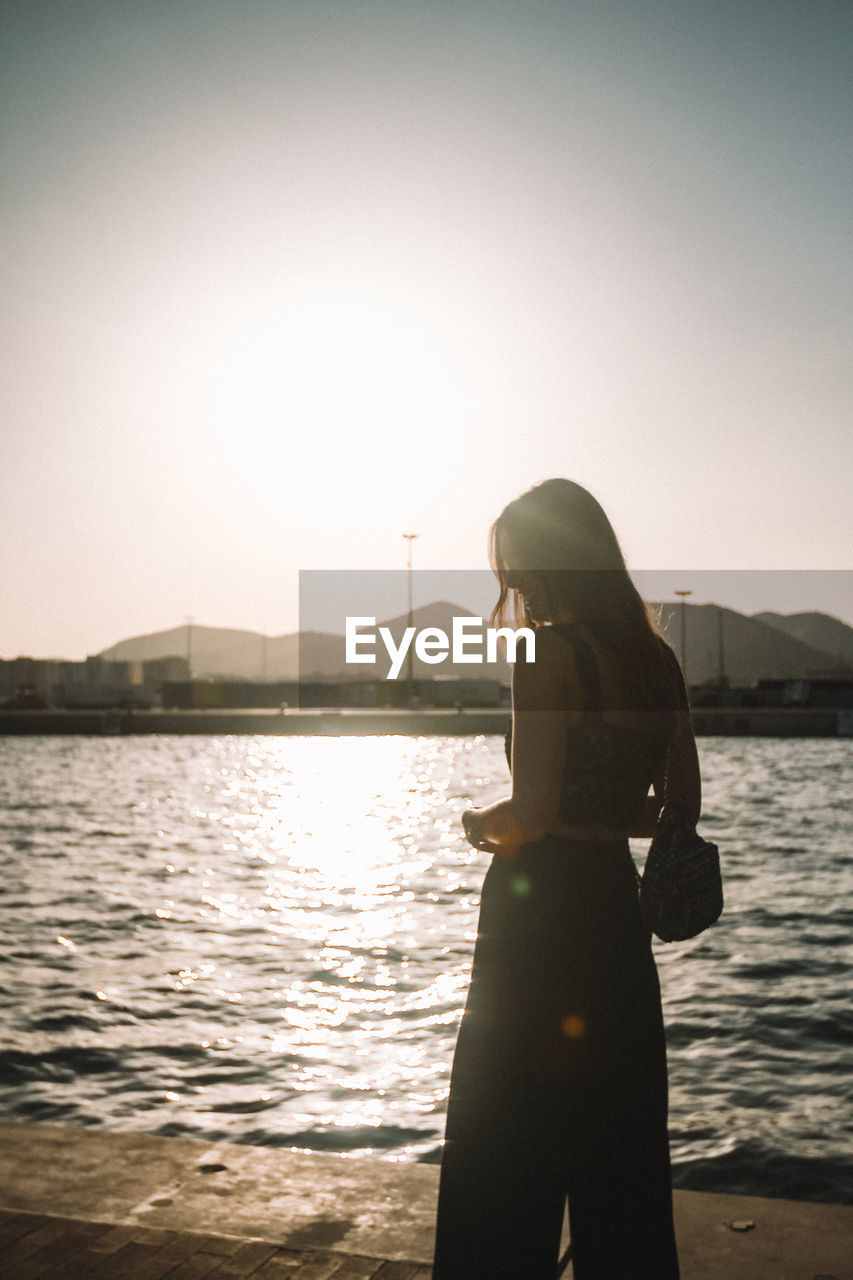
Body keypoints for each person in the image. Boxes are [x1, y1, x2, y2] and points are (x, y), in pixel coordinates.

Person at [431, 478, 700, 1280]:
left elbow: (533, 814)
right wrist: (605, 813)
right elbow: (677, 805)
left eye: (519, 569)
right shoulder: (656, 661)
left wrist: (477, 824)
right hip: (613, 917)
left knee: (503, 1137)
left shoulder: (545, 654)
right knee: (617, 1139)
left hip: (536, 918)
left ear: (557, 564)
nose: (514, 589)